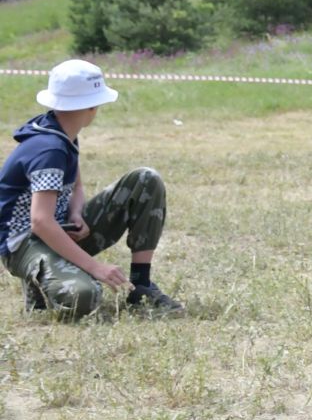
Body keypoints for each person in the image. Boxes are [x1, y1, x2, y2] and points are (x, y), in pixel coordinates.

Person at [1, 60, 183, 317]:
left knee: (144, 180)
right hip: (26, 244)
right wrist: (95, 267)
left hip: (58, 228)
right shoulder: (49, 148)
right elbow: (40, 221)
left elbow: (76, 183)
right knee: (84, 295)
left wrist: (76, 212)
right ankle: (39, 286)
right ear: (91, 106)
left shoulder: (63, 132)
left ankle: (140, 286)